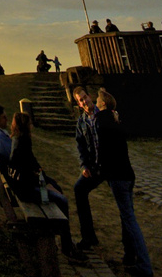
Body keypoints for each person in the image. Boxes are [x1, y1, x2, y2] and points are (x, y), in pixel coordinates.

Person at [8, 111, 85, 261]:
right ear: (25, 126)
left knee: (57, 188)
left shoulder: (18, 139)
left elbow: (32, 162)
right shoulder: (23, 142)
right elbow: (27, 174)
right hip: (26, 190)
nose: (32, 126)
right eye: (29, 124)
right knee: (62, 200)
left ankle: (66, 241)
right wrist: (44, 184)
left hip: (23, 186)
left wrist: (45, 177)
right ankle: (67, 246)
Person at [95, 88, 153, 277]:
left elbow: (102, 150)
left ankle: (145, 267)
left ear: (103, 104)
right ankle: (129, 256)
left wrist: (102, 171)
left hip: (117, 175)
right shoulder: (115, 120)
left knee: (129, 219)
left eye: (97, 99)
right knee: (126, 216)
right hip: (128, 174)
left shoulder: (102, 121)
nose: (95, 101)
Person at [73, 85, 104, 251]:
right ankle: (88, 236)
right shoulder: (81, 122)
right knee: (79, 189)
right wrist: (84, 165)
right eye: (80, 100)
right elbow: (81, 147)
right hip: (93, 166)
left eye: (85, 97)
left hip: (109, 165)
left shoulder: (104, 114)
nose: (84, 101)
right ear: (79, 104)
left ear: (90, 96)